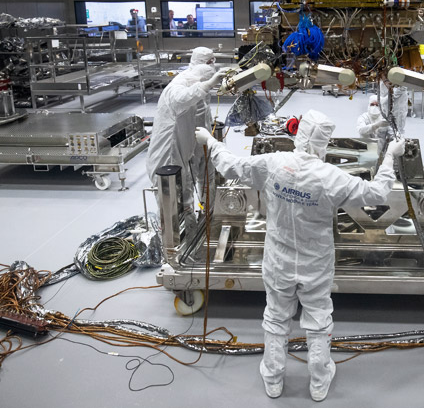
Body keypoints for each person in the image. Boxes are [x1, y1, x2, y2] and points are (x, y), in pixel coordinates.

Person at [194, 110, 405, 401]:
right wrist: (391, 155)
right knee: (318, 320)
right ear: (324, 142)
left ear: (299, 134)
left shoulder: (274, 163)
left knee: (276, 318)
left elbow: (231, 166)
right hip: (315, 263)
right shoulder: (330, 177)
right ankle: (318, 382)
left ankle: (273, 379)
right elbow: (377, 193)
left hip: (278, 260)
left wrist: (211, 142)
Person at [146, 63, 226, 227]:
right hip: (167, 160)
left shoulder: (187, 87)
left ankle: (192, 233)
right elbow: (183, 98)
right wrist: (208, 84)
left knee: (186, 201)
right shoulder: (176, 89)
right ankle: (180, 240)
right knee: (173, 211)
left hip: (181, 156)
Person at [188, 48, 218, 207]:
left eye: (213, 61)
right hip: (190, 140)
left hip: (205, 133)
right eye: (209, 62)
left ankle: (206, 211)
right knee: (189, 180)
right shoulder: (189, 82)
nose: (212, 65)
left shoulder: (204, 79)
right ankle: (191, 215)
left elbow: (205, 109)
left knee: (207, 175)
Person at [377, 81, 409, 153]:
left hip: (398, 103)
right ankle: (382, 152)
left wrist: (388, 97)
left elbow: (403, 87)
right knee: (383, 128)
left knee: (398, 129)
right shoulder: (382, 79)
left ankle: (397, 150)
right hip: (385, 102)